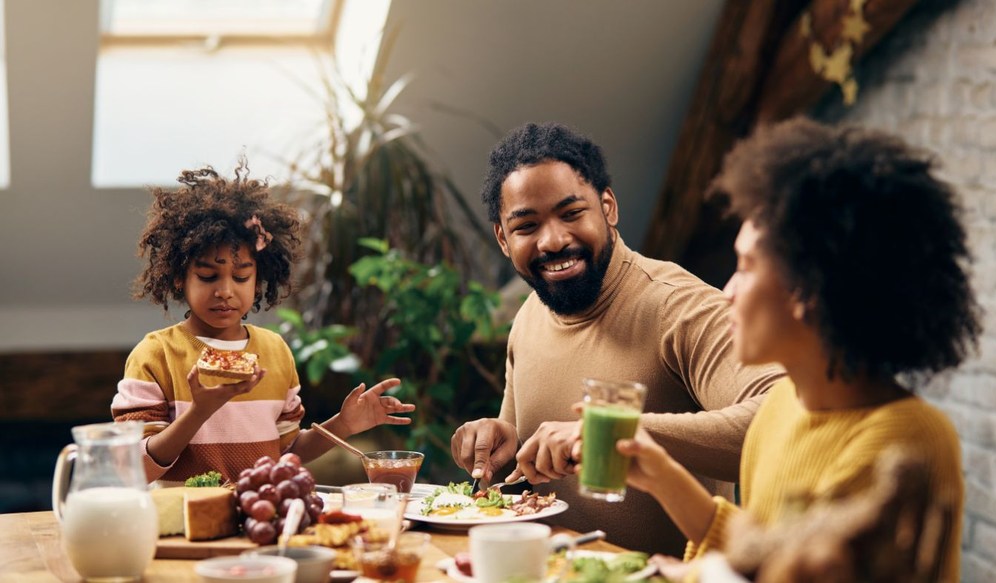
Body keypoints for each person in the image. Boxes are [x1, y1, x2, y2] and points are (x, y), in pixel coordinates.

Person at [611, 118, 979, 581]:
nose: (727, 291)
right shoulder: (783, 403)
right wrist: (662, 477)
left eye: (746, 267)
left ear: (808, 290)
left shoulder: (906, 444)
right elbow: (766, 549)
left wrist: (699, 576)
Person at [450, 122, 785, 555]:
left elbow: (781, 417)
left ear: (608, 207)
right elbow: (527, 456)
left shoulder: (679, 307)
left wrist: (611, 433)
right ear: (503, 238)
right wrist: (498, 440)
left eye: (572, 214)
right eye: (527, 226)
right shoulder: (530, 316)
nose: (553, 240)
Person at [112, 161, 415, 486]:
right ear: (177, 278)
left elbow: (288, 448)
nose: (225, 291)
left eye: (241, 276)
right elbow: (135, 467)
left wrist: (343, 424)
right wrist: (199, 411)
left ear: (259, 280)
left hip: (259, 527)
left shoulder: (274, 351)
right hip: (183, 531)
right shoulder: (155, 355)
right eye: (207, 276)